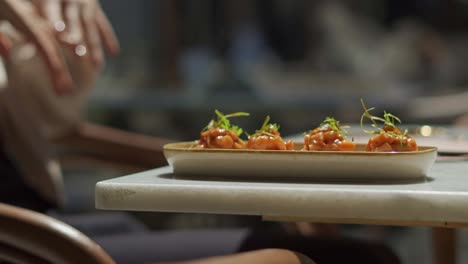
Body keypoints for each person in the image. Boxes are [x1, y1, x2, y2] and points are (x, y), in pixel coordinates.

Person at [0, 1, 401, 263]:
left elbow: (55, 117)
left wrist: (53, 39)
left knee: (366, 257)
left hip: (54, 223)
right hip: (32, 244)